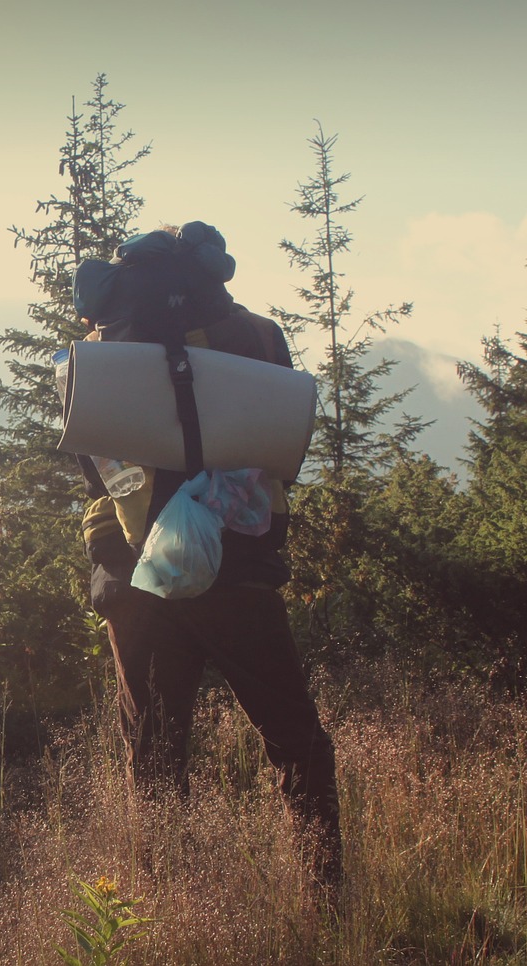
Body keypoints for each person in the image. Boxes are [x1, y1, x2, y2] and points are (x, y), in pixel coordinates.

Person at [72, 221, 342, 893]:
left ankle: (166, 907)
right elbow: (288, 447)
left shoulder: (99, 357)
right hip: (236, 568)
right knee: (293, 738)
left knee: (156, 753)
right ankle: (328, 891)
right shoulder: (256, 338)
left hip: (136, 576)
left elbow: (91, 468)